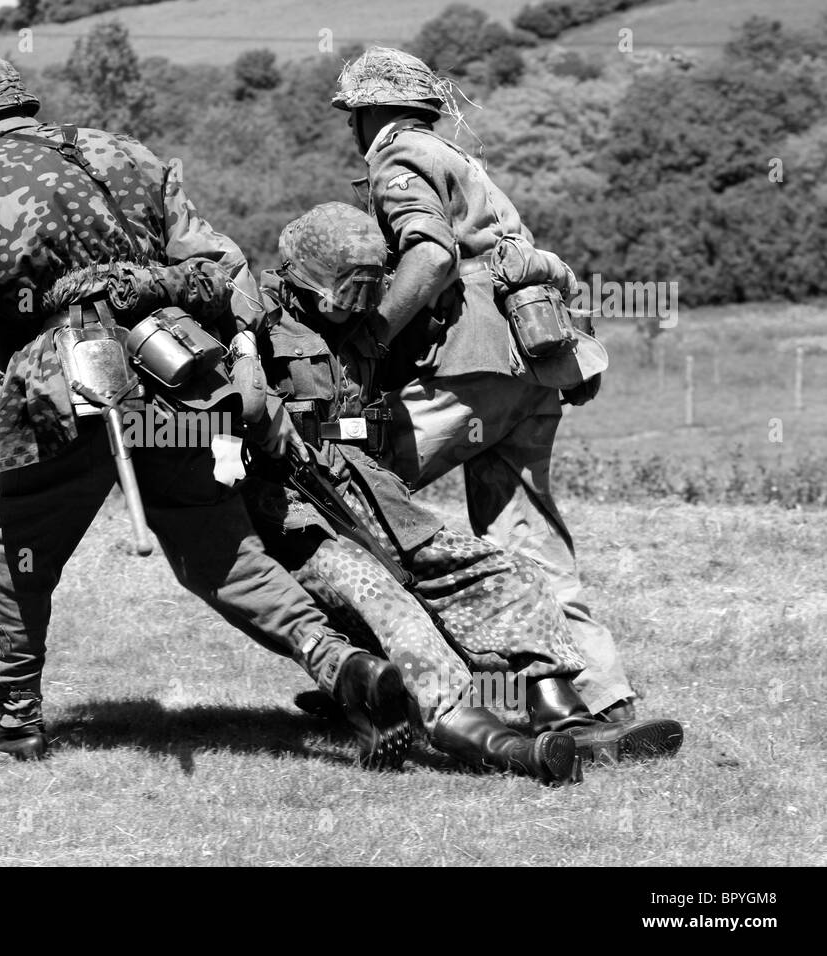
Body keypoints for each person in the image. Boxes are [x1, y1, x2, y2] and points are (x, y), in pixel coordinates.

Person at [0, 57, 411, 767]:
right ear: (23, 105)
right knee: (221, 554)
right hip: (176, 373)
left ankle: (18, 720)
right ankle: (343, 667)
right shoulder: (128, 154)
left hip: (59, 387)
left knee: (20, 552)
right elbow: (221, 265)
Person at [245, 203, 683, 776]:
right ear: (305, 279)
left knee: (507, 573)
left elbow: (479, 270)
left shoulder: (373, 325)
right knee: (397, 613)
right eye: (343, 294)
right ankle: (506, 748)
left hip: (375, 495)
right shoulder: (252, 321)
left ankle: (567, 720)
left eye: (367, 292)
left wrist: (571, 343)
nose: (356, 307)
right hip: (301, 512)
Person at [332, 47, 637, 721]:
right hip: (533, 362)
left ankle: (382, 686)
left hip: (470, 365)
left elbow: (432, 255)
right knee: (528, 537)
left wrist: (372, 337)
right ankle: (597, 697)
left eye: (352, 115)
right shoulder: (460, 160)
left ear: (370, 113)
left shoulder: (399, 156)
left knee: (348, 497)